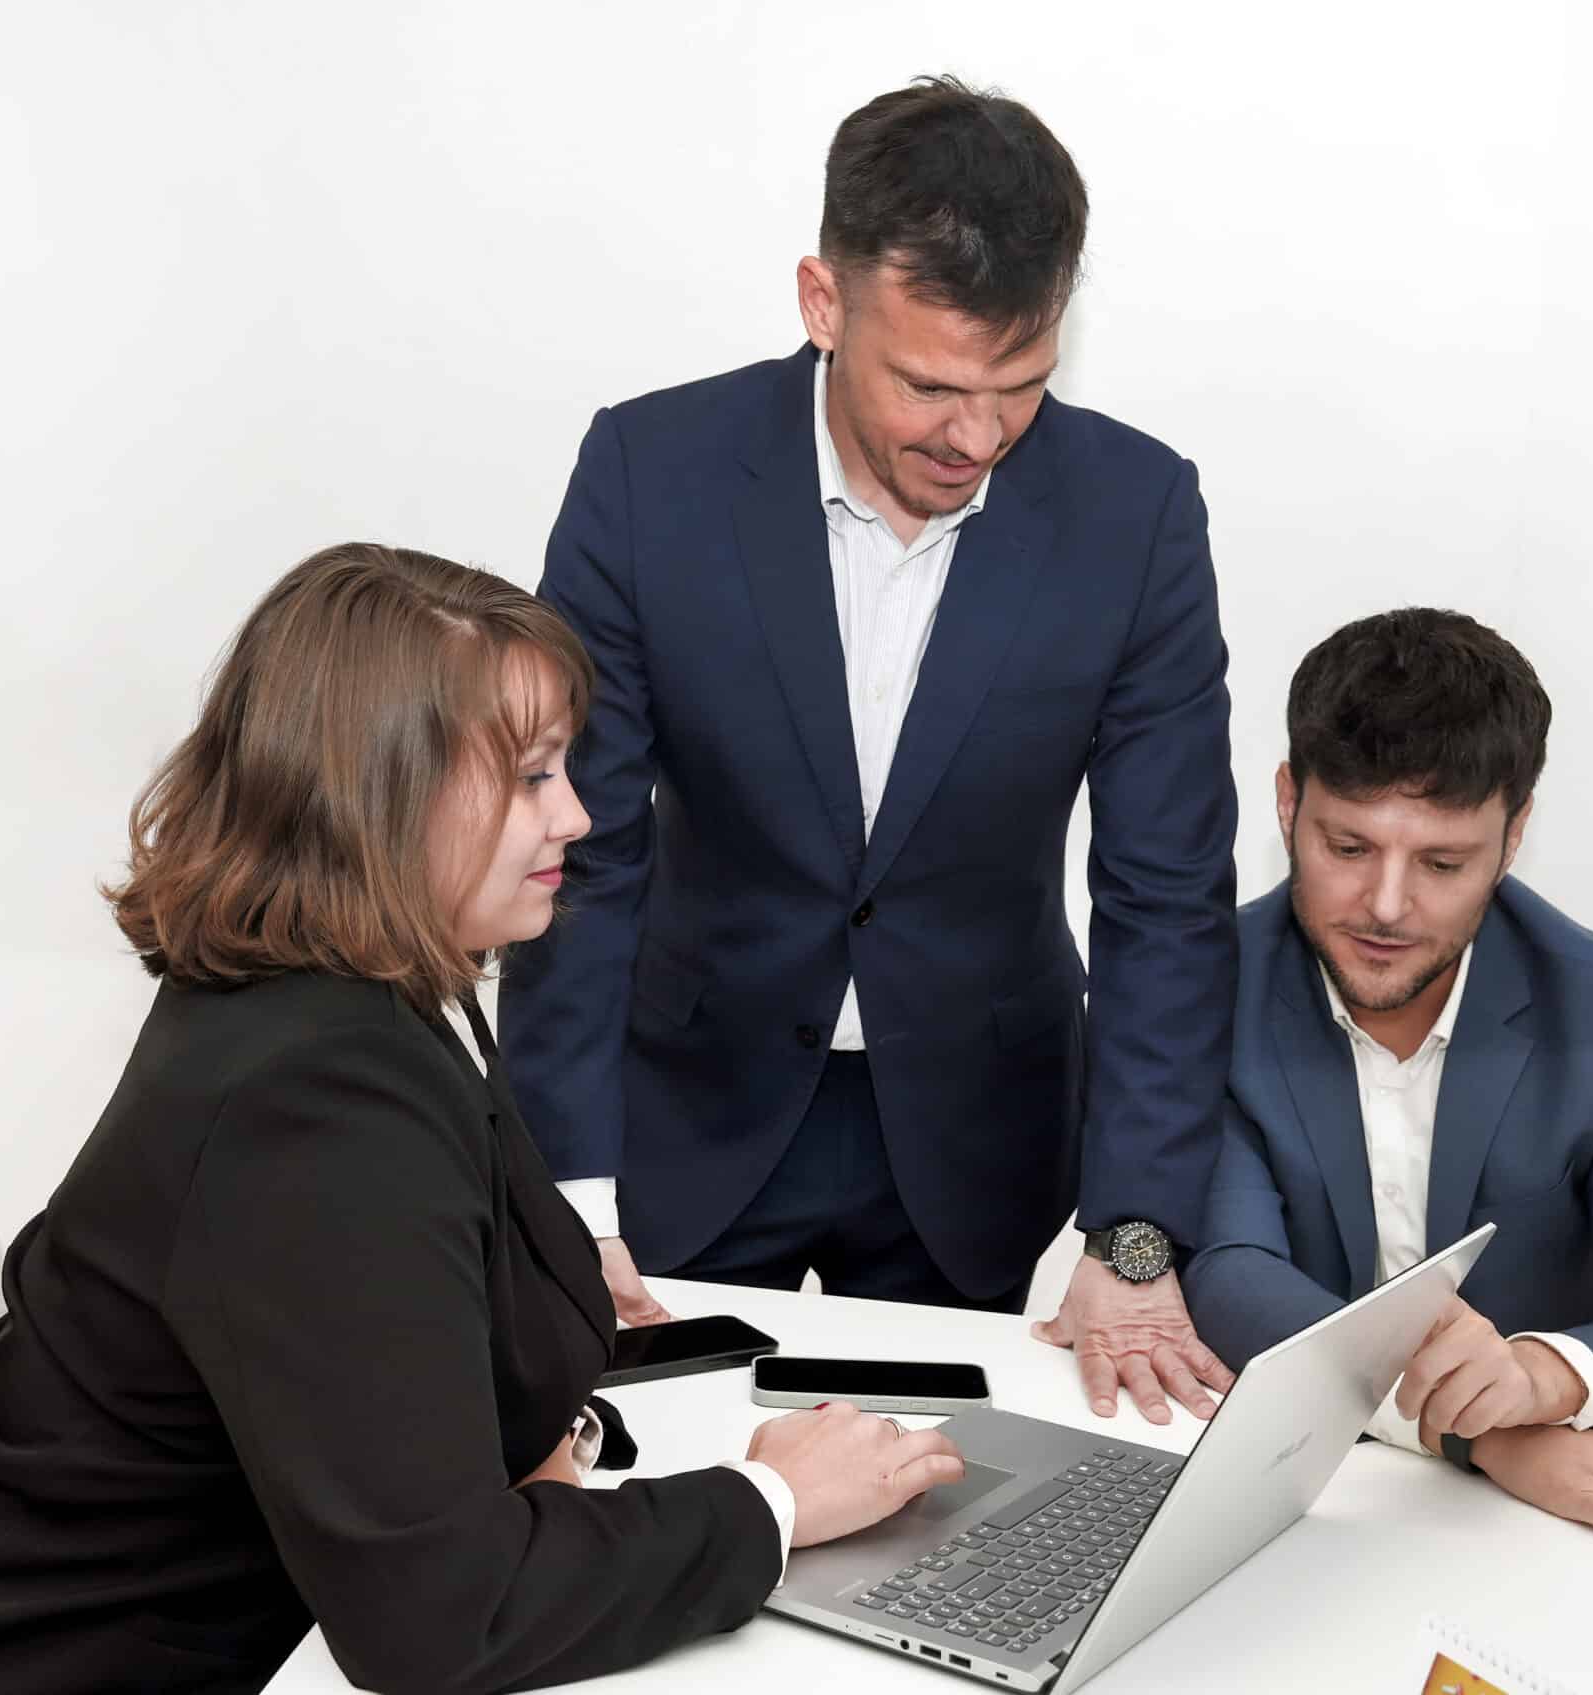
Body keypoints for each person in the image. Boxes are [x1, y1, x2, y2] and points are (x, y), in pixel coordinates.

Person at [0, 546, 962, 1695]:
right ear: (376, 792)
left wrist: (543, 1450)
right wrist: (772, 1503)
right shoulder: (313, 1092)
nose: (577, 814)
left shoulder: (376, 991)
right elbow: (439, 1620)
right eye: (531, 776)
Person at [500, 77, 1238, 1424]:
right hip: (684, 1116)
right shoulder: (648, 474)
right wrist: (570, 1195)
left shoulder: (1137, 516)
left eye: (1020, 387)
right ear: (822, 303)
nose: (975, 438)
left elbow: (1166, 901)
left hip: (979, 1143)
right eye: (931, 386)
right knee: (655, 1481)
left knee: (959, 1506)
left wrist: (1135, 1237)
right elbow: (579, 853)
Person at [1182, 608, 1593, 1566]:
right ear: (1287, 803)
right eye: (1348, 847)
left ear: (1514, 834)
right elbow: (1231, 1276)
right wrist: (1488, 1437)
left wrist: (1537, 1378)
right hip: (1299, 1522)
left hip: (1535, 1555)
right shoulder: (1205, 990)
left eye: (1443, 862)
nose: (1385, 905)